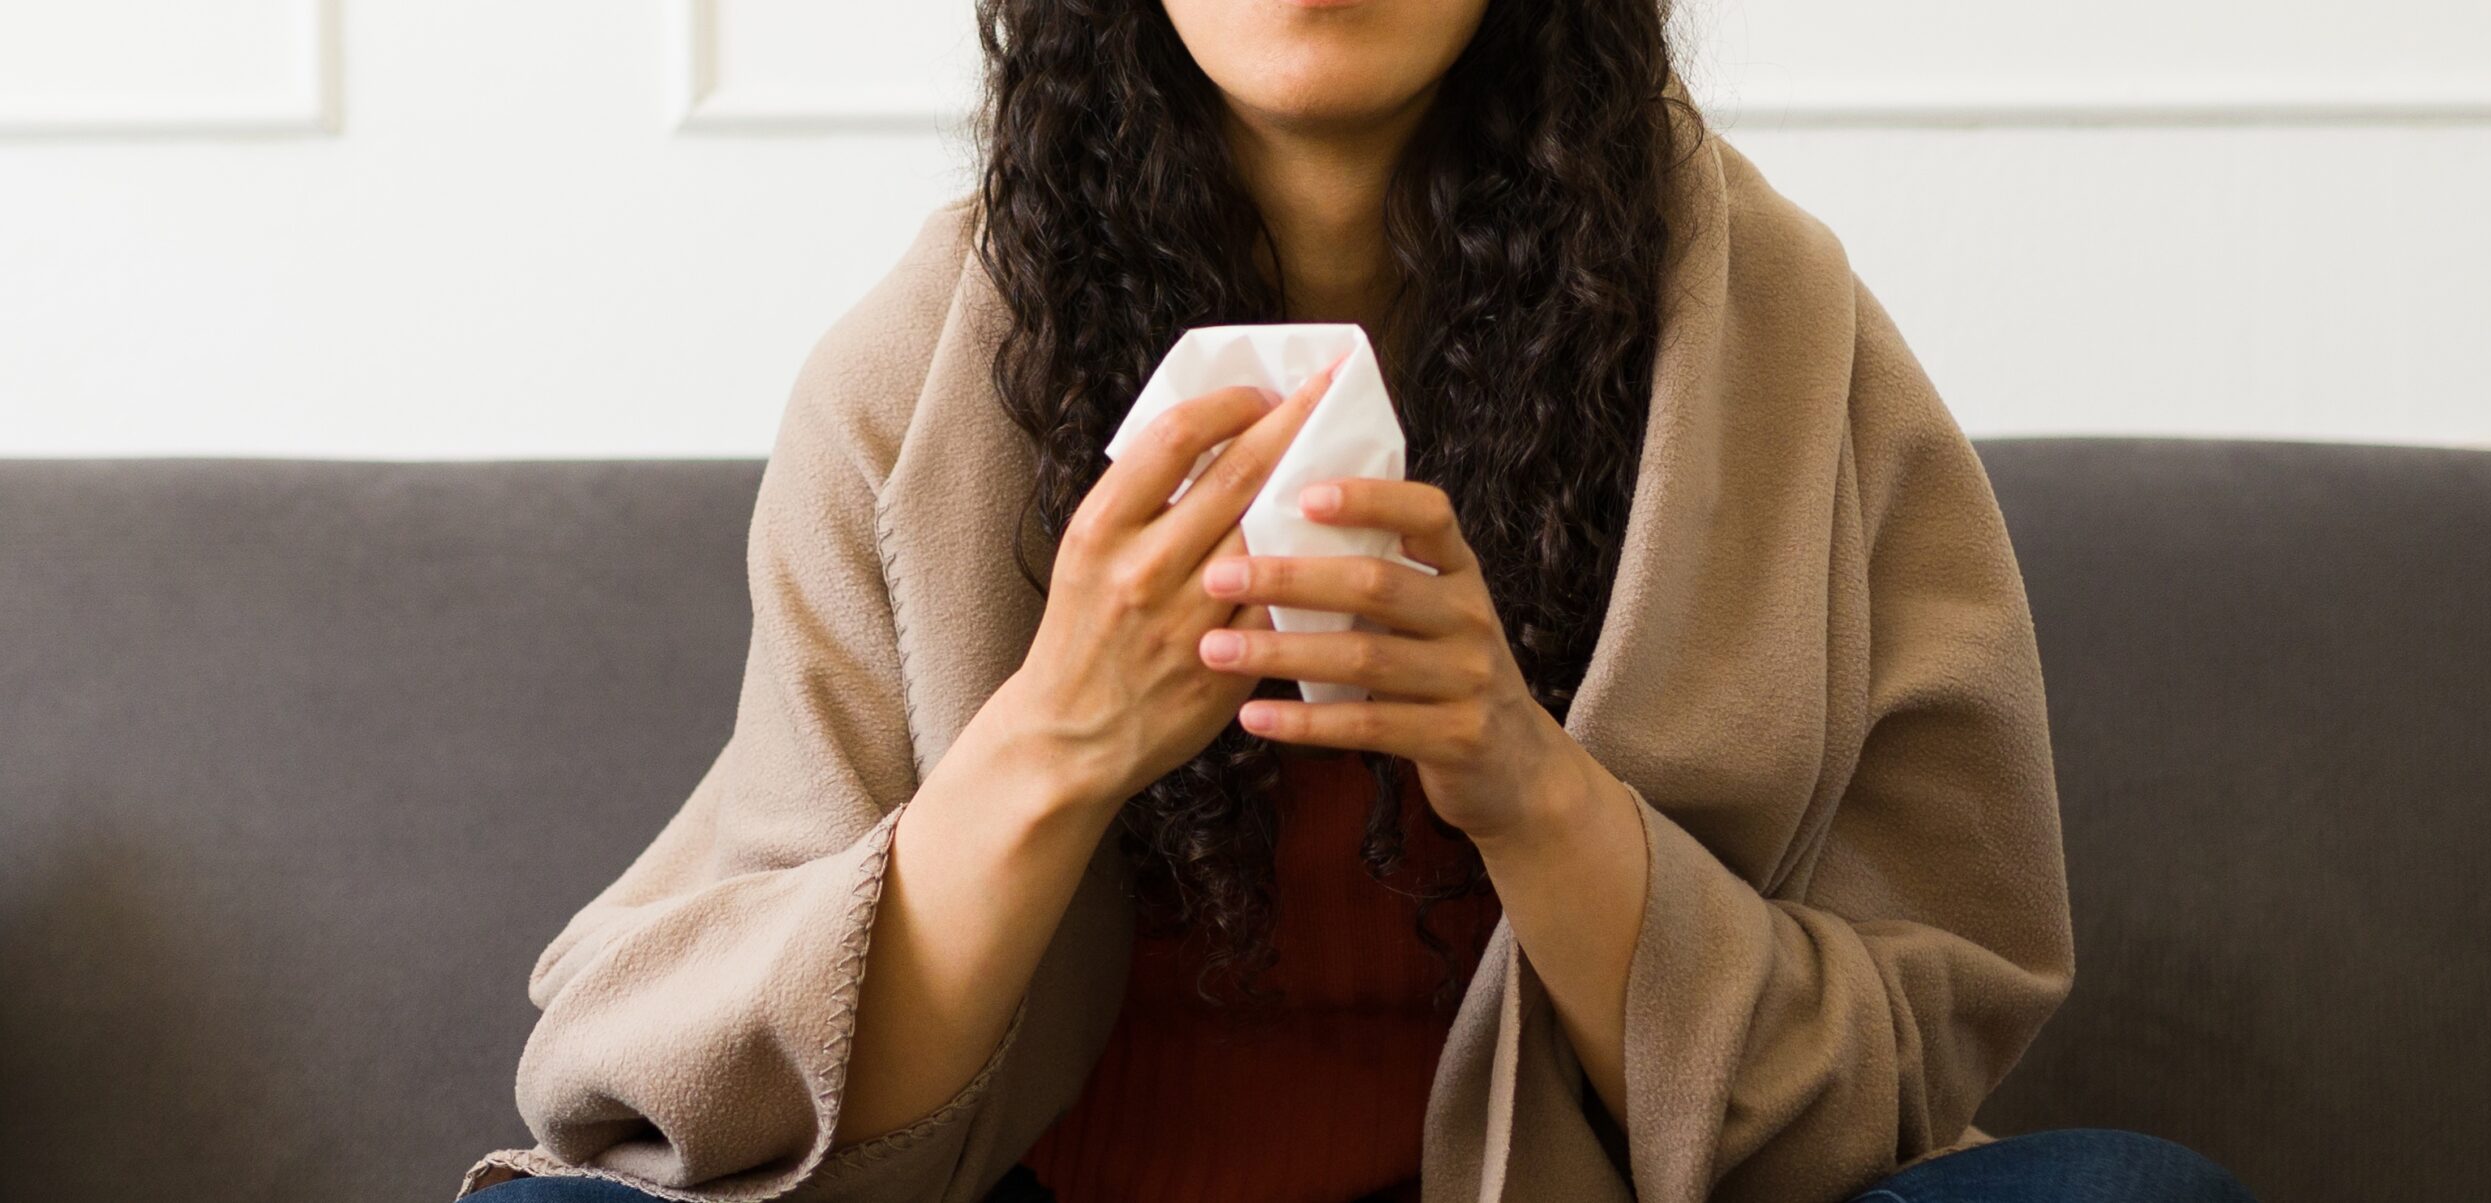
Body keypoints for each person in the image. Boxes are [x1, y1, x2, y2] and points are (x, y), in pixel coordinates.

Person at [458, 1, 2256, 1201]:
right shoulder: (921, 376)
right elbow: (731, 1111)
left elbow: (1896, 1089)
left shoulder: (1778, 345)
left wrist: (1528, 785)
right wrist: (1057, 743)